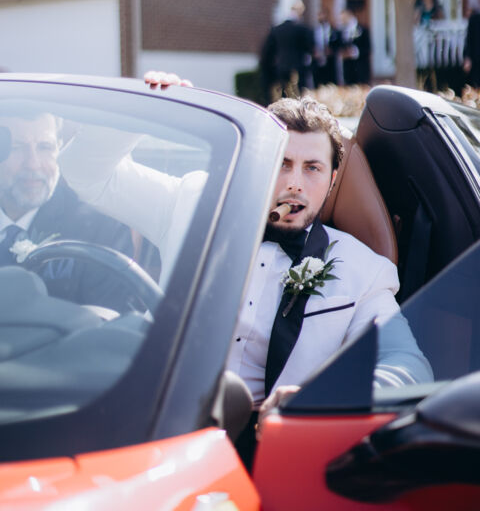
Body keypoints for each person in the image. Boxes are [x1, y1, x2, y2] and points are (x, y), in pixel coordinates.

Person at [59, 74, 433, 467]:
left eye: (312, 168)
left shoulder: (365, 270)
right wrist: (147, 107)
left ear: (333, 180)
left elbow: (408, 365)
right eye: (282, 163)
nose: (294, 184)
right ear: (258, 163)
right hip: (164, 432)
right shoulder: (192, 203)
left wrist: (323, 399)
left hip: (281, 453)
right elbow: (84, 173)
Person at [0, 111, 136, 311]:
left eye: (45, 147)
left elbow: (111, 323)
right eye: (17, 148)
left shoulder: (101, 230)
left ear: (60, 148)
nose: (33, 164)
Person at [259, 0, 314, 101]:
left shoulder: (277, 29)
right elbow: (310, 48)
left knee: (284, 95)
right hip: (298, 68)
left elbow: (268, 51)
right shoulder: (303, 29)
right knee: (299, 96)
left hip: (282, 66)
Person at [331, 7, 371, 85]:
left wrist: (354, 52)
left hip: (360, 68)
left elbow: (367, 47)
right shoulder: (341, 31)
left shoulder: (362, 29)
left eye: (343, 18)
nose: (342, 20)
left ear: (350, 15)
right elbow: (337, 46)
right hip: (347, 68)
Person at [311, 8, 335, 86]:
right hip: (318, 59)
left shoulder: (332, 30)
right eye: (319, 15)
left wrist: (331, 50)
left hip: (329, 60)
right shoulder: (314, 30)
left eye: (323, 15)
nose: (321, 17)